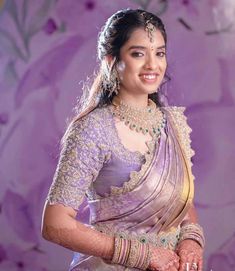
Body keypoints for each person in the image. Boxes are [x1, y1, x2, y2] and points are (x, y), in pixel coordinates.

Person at [41, 8, 205, 271]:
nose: (153, 65)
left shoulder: (173, 124)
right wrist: (142, 255)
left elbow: (180, 203)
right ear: (110, 61)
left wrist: (191, 240)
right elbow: (55, 224)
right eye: (138, 53)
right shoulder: (93, 129)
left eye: (159, 53)